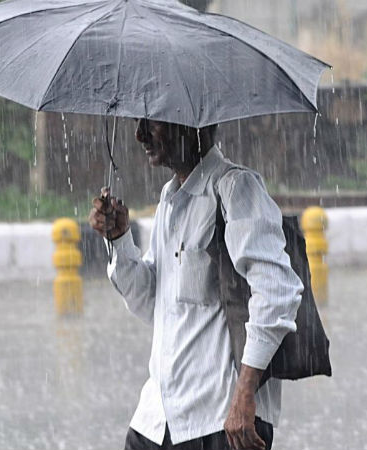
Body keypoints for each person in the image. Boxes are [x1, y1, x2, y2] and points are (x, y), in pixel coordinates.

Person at [89, 118, 303, 450]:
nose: (140, 134)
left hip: (218, 421)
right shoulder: (170, 199)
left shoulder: (236, 189)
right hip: (156, 420)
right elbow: (154, 305)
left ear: (192, 124)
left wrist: (245, 396)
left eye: (152, 122)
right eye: (138, 122)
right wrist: (119, 242)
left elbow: (278, 292)